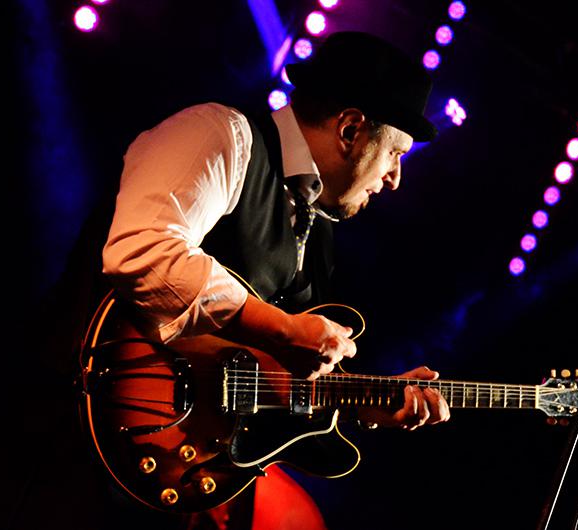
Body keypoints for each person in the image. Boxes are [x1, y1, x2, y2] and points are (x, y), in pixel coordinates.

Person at [97, 30, 450, 528]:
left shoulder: (318, 224)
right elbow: (143, 251)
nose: (395, 178)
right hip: (84, 429)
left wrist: (365, 402)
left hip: (195, 468)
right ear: (351, 129)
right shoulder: (218, 133)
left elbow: (260, 371)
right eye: (396, 153)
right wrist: (283, 329)